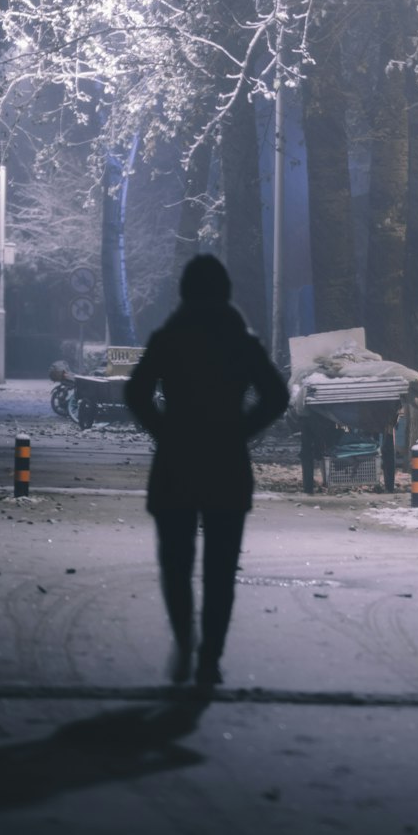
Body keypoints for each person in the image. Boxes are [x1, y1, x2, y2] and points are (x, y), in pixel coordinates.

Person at [125, 255, 289, 687]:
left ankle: (184, 641)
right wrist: (241, 431)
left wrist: (164, 430)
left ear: (184, 291)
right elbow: (276, 395)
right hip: (225, 462)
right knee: (220, 568)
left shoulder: (169, 337)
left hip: (177, 461)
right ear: (225, 292)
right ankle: (210, 658)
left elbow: (136, 391)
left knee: (175, 563)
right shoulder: (240, 340)